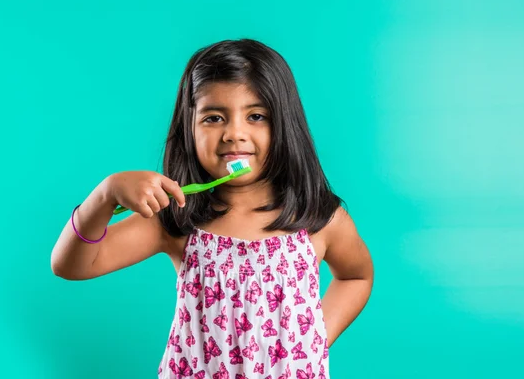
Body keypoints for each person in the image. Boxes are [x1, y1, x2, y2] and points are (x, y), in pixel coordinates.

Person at [51, 39, 374, 378]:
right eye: (214, 117)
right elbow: (70, 265)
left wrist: (315, 336)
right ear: (188, 128)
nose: (234, 134)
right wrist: (104, 195)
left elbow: (356, 275)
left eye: (256, 116)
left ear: (285, 125)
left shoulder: (318, 218)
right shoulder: (177, 215)